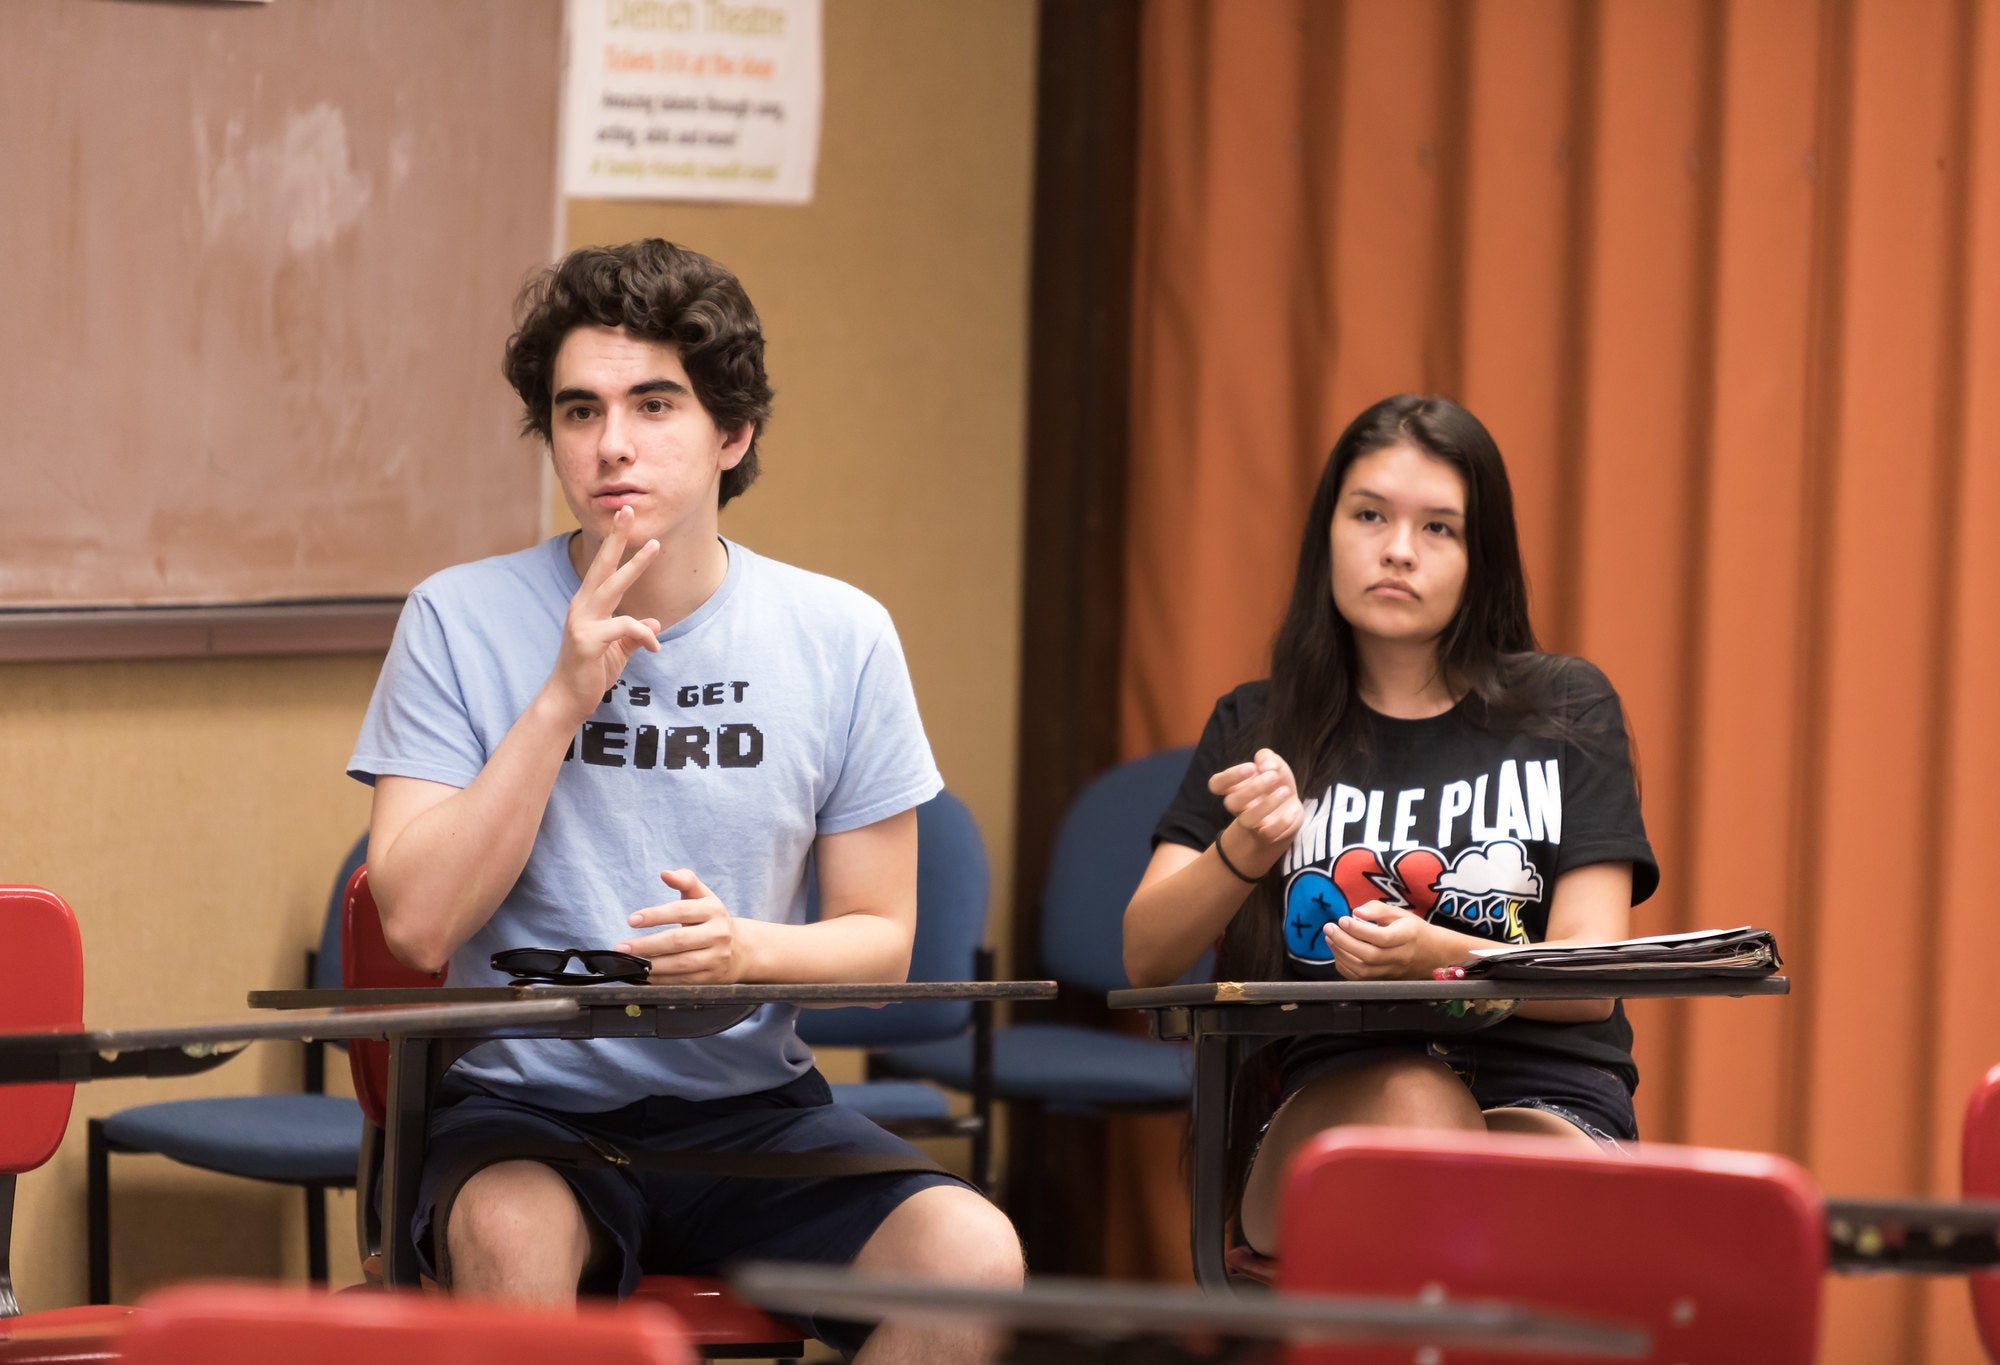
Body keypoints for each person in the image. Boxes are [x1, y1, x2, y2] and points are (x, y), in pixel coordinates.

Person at [348, 238, 1022, 1359]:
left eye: (653, 404)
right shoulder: (455, 618)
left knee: (972, 1258)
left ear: (731, 432)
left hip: (751, 1112)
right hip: (525, 1113)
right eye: (578, 411)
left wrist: (744, 952)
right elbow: (416, 921)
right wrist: (560, 699)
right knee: (512, 1239)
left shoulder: (838, 634)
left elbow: (881, 939)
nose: (611, 443)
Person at [1121, 393, 1657, 1256]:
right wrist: (1243, 850)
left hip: (1548, 1091)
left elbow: (1590, 972)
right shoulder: (1258, 725)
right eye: (1370, 514)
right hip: (1338, 1099)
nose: (1398, 549)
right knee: (1417, 1109)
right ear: (1327, 533)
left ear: (1481, 557)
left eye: (1439, 527)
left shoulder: (1565, 707)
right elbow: (1144, 951)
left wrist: (1437, 955)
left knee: (1514, 1208)